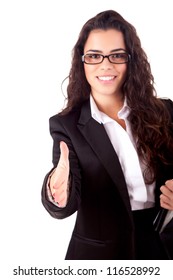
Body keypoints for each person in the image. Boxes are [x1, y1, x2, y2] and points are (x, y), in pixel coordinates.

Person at [41, 10, 173, 260]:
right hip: (99, 258)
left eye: (117, 55)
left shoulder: (165, 112)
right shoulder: (66, 125)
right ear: (82, 61)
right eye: (94, 56)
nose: (105, 64)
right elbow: (64, 203)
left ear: (130, 60)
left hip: (162, 248)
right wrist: (55, 190)